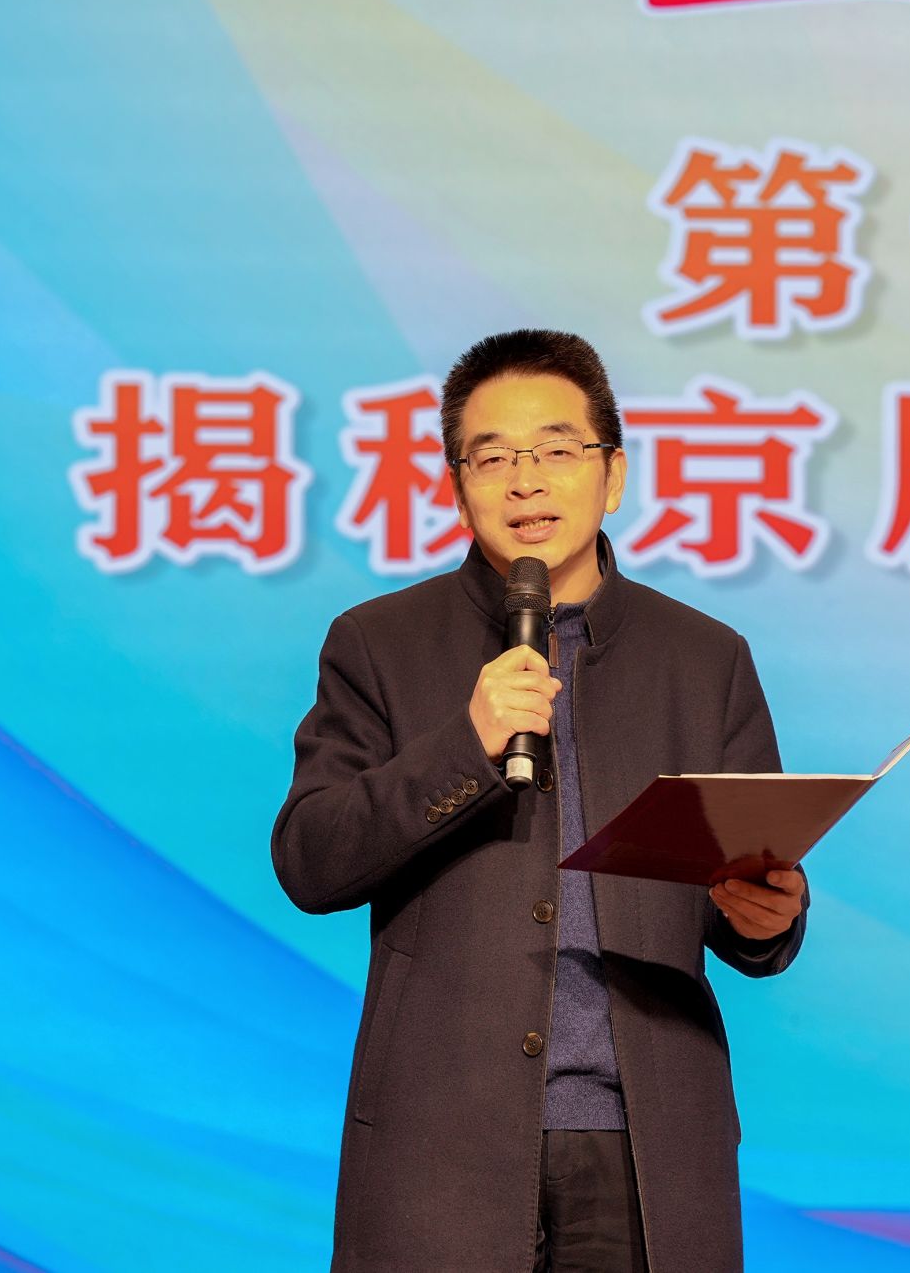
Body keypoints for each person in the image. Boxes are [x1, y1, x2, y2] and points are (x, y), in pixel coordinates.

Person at [272, 329, 809, 1272]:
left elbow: (746, 899)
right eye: (492, 458)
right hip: (442, 1142)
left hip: (645, 1149)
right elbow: (312, 859)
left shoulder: (705, 661)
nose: (525, 482)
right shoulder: (377, 645)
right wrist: (463, 745)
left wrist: (767, 915)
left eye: (557, 450)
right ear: (457, 485)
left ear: (613, 474)